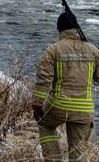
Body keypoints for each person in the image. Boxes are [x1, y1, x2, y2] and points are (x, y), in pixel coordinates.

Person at [31, 11, 99, 162]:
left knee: (45, 126)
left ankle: (53, 159)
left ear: (59, 30)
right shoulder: (93, 50)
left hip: (59, 105)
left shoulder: (53, 50)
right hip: (84, 109)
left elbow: (44, 81)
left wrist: (36, 105)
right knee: (78, 150)